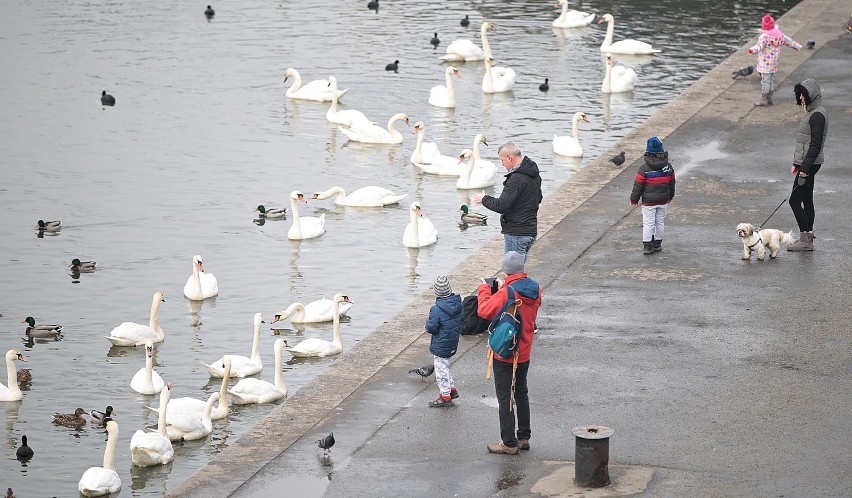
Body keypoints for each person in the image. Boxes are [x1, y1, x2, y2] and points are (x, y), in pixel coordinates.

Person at [477, 251, 542, 455]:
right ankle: (524, 437)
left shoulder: (507, 293)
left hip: (506, 352)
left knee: (505, 397)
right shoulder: (536, 289)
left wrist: (485, 290)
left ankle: (508, 442)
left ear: (505, 270)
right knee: (521, 391)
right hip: (524, 351)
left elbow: (484, 310)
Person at [473, 143, 543, 261]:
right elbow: (538, 198)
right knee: (518, 272)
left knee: (512, 273)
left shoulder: (516, 179)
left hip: (517, 233)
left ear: (509, 158)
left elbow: (502, 205)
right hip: (530, 231)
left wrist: (484, 199)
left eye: (502, 160)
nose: (502, 164)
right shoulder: (534, 174)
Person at [787, 78, 827, 252]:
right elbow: (805, 142)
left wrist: (804, 168)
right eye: (800, 95)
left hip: (810, 164)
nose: (801, 98)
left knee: (794, 201)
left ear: (812, 95)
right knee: (806, 199)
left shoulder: (817, 115)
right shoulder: (812, 112)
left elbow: (815, 145)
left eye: (804, 95)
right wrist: (797, 163)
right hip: (808, 163)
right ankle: (808, 236)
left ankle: (804, 239)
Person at [630, 137, 675, 255]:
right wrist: (670, 197)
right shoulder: (668, 167)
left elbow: (638, 186)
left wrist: (634, 199)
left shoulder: (644, 168)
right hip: (663, 200)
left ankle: (647, 246)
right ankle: (657, 244)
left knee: (648, 223)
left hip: (648, 202)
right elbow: (672, 183)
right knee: (660, 222)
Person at [748, 14, 802, 107]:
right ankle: (770, 99)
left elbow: (759, 46)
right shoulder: (779, 34)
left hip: (765, 63)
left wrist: (752, 50)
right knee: (771, 80)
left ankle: (764, 100)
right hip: (774, 62)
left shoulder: (764, 37)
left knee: (765, 81)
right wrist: (797, 46)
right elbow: (788, 41)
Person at [425, 275, 462, 407]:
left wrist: (426, 324)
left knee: (440, 370)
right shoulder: (458, 304)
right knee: (445, 366)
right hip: (452, 341)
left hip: (441, 344)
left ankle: (445, 396)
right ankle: (452, 389)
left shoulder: (436, 309)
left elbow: (432, 328)